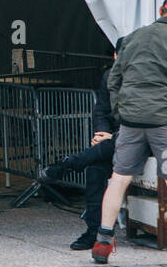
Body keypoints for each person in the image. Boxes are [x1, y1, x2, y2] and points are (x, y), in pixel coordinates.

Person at [91, 0, 167, 265]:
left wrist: (121, 113)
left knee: (118, 178)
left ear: (161, 10)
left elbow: (114, 79)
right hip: (165, 124)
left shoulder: (133, 38)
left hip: (131, 124)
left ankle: (102, 243)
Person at [40, 37, 122, 250]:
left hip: (135, 140)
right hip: (114, 142)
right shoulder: (109, 76)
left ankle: (67, 164)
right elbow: (101, 109)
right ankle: (94, 230)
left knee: (106, 150)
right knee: (95, 169)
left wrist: (111, 137)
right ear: (115, 56)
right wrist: (102, 132)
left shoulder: (146, 80)